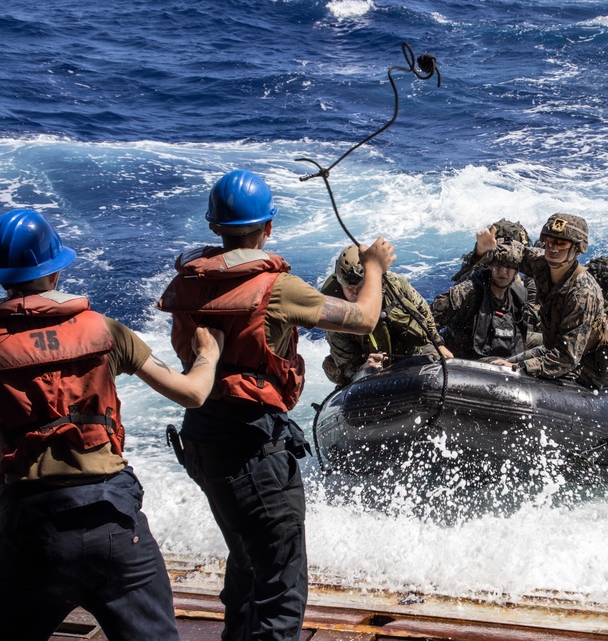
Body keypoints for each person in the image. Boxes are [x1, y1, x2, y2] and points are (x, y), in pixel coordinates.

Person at [157, 170, 394, 641]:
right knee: (281, 586)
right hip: (253, 448)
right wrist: (374, 266)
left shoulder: (189, 281)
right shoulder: (280, 290)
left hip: (202, 437)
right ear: (267, 227)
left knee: (246, 559)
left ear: (215, 226)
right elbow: (364, 318)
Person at [0, 208, 224, 640]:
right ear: (55, 274)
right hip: (114, 525)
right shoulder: (104, 330)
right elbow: (192, 393)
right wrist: (209, 354)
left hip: (32, 529)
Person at [473, 213, 608, 388]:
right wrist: (484, 249)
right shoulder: (542, 263)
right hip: (555, 350)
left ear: (576, 249)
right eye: (550, 241)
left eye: (562, 243)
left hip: (590, 367)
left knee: (513, 375)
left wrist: (518, 367)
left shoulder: (583, 293)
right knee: (495, 366)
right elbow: (514, 252)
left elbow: (567, 359)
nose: (553, 248)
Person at [322, 243, 451, 386]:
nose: (355, 293)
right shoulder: (335, 311)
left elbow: (423, 309)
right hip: (367, 362)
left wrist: (438, 343)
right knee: (334, 369)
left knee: (439, 364)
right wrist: (364, 368)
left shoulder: (395, 284)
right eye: (349, 288)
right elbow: (346, 363)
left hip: (408, 350)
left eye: (361, 286)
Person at [431, 242, 535, 360]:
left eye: (509, 266)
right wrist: (438, 345)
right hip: (470, 360)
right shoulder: (468, 291)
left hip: (505, 353)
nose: (503, 272)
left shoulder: (519, 295)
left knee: (547, 345)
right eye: (498, 264)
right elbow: (427, 317)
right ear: (490, 265)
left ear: (516, 271)